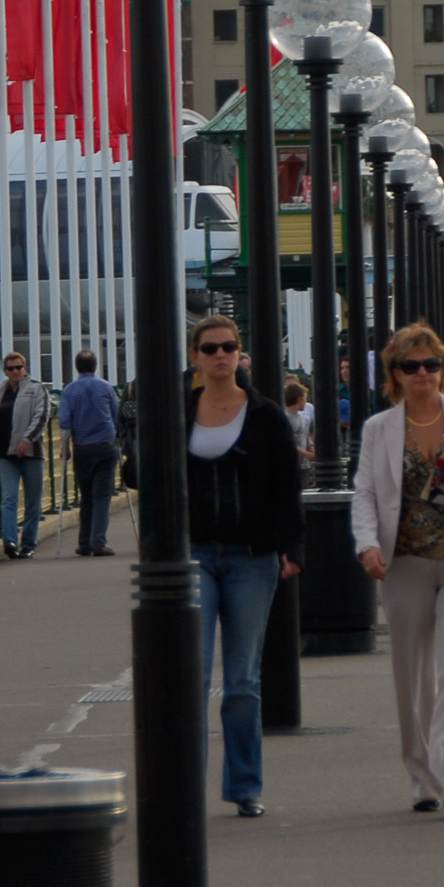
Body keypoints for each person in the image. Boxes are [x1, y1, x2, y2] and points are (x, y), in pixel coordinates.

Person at [352, 321, 444, 818]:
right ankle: (423, 776)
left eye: (431, 364)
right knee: (412, 676)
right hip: (404, 564)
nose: (423, 373)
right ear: (394, 374)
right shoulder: (379, 428)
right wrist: (367, 545)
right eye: (410, 365)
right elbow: (366, 495)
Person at [185, 314, 304, 818]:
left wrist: (292, 548)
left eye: (228, 347)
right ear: (195, 356)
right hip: (192, 554)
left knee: (241, 682)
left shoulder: (266, 415)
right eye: (209, 348)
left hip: (252, 556)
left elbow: (286, 486)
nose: (219, 355)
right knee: (190, 672)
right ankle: (184, 785)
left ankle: (244, 787)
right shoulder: (178, 411)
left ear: (240, 354)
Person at [57, 348, 121, 556]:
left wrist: (64, 447)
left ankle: (84, 543)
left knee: (86, 496)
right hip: (105, 444)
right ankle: (98, 541)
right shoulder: (105, 387)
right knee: (102, 495)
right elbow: (115, 413)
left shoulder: (69, 390)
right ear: (95, 366)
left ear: (77, 367)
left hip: (82, 447)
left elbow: (65, 422)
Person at [0, 352, 49, 558]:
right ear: (5, 371)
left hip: (31, 453)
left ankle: (29, 542)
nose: (15, 371)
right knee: (8, 499)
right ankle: (10, 541)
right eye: (11, 368)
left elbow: (42, 417)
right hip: (6, 454)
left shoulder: (37, 388)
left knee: (32, 500)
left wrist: (27, 439)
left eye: (19, 367)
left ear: (25, 367)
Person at [283, 379, 314, 468]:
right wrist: (306, 453)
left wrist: (312, 451)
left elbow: (307, 439)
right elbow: (287, 442)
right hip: (290, 465)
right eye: (305, 398)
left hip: (304, 465)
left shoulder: (302, 418)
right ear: (299, 399)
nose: (305, 401)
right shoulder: (285, 417)